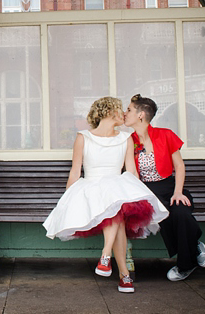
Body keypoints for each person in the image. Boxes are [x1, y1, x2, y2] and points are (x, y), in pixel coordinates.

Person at [43, 97, 169, 293]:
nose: (124, 115)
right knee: (115, 208)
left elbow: (131, 171)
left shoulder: (125, 138)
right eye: (121, 110)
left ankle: (106, 257)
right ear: (111, 112)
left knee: (117, 203)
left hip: (117, 184)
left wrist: (137, 194)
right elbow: (76, 170)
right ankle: (123, 274)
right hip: (92, 187)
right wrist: (66, 199)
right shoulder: (83, 137)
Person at [123, 94, 205, 281]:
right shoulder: (129, 140)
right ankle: (191, 257)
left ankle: (190, 255)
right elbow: (132, 173)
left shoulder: (165, 135)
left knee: (181, 212)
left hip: (170, 187)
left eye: (129, 109)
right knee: (163, 215)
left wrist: (178, 192)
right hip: (146, 191)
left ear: (141, 114)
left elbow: (179, 166)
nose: (125, 113)